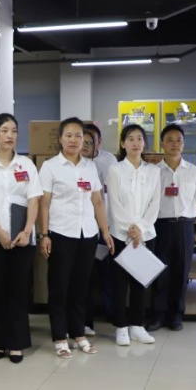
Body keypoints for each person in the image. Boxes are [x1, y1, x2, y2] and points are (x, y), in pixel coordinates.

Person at [37, 117, 114, 358]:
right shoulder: (50, 167)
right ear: (60, 138)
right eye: (68, 135)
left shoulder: (89, 167)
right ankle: (60, 337)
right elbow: (44, 203)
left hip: (87, 234)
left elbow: (97, 201)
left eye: (78, 136)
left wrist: (105, 231)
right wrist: (44, 234)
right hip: (61, 233)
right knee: (59, 287)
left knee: (81, 287)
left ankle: (79, 333)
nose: (73, 140)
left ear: (85, 140)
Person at [0, 114, 42, 363]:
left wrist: (27, 231)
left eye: (13, 130)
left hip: (22, 239)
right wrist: (0, 233)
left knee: (18, 290)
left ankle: (16, 343)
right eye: (4, 130)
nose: (10, 135)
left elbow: (34, 198)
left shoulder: (26, 165)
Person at [150, 124, 196, 332]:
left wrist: (186, 216)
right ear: (162, 144)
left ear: (183, 144)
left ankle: (175, 316)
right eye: (170, 140)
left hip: (184, 227)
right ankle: (158, 316)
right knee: (159, 272)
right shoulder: (154, 172)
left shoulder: (193, 172)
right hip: (160, 226)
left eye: (179, 140)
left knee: (181, 272)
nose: (175, 144)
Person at [106, 124, 161, 346]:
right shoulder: (115, 170)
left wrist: (141, 228)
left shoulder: (153, 171)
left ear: (144, 143)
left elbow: (155, 203)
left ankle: (137, 326)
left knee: (140, 282)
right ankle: (121, 327)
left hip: (146, 235)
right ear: (123, 144)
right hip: (120, 235)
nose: (135, 143)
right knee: (119, 284)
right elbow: (114, 203)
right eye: (130, 139)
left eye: (139, 138)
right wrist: (131, 228)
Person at [82, 123, 116, 336]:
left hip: (105, 226)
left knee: (107, 273)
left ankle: (112, 314)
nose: (86, 146)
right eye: (83, 142)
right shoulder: (76, 162)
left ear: (99, 142)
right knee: (85, 276)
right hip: (84, 228)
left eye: (90, 142)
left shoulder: (109, 160)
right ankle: (86, 320)